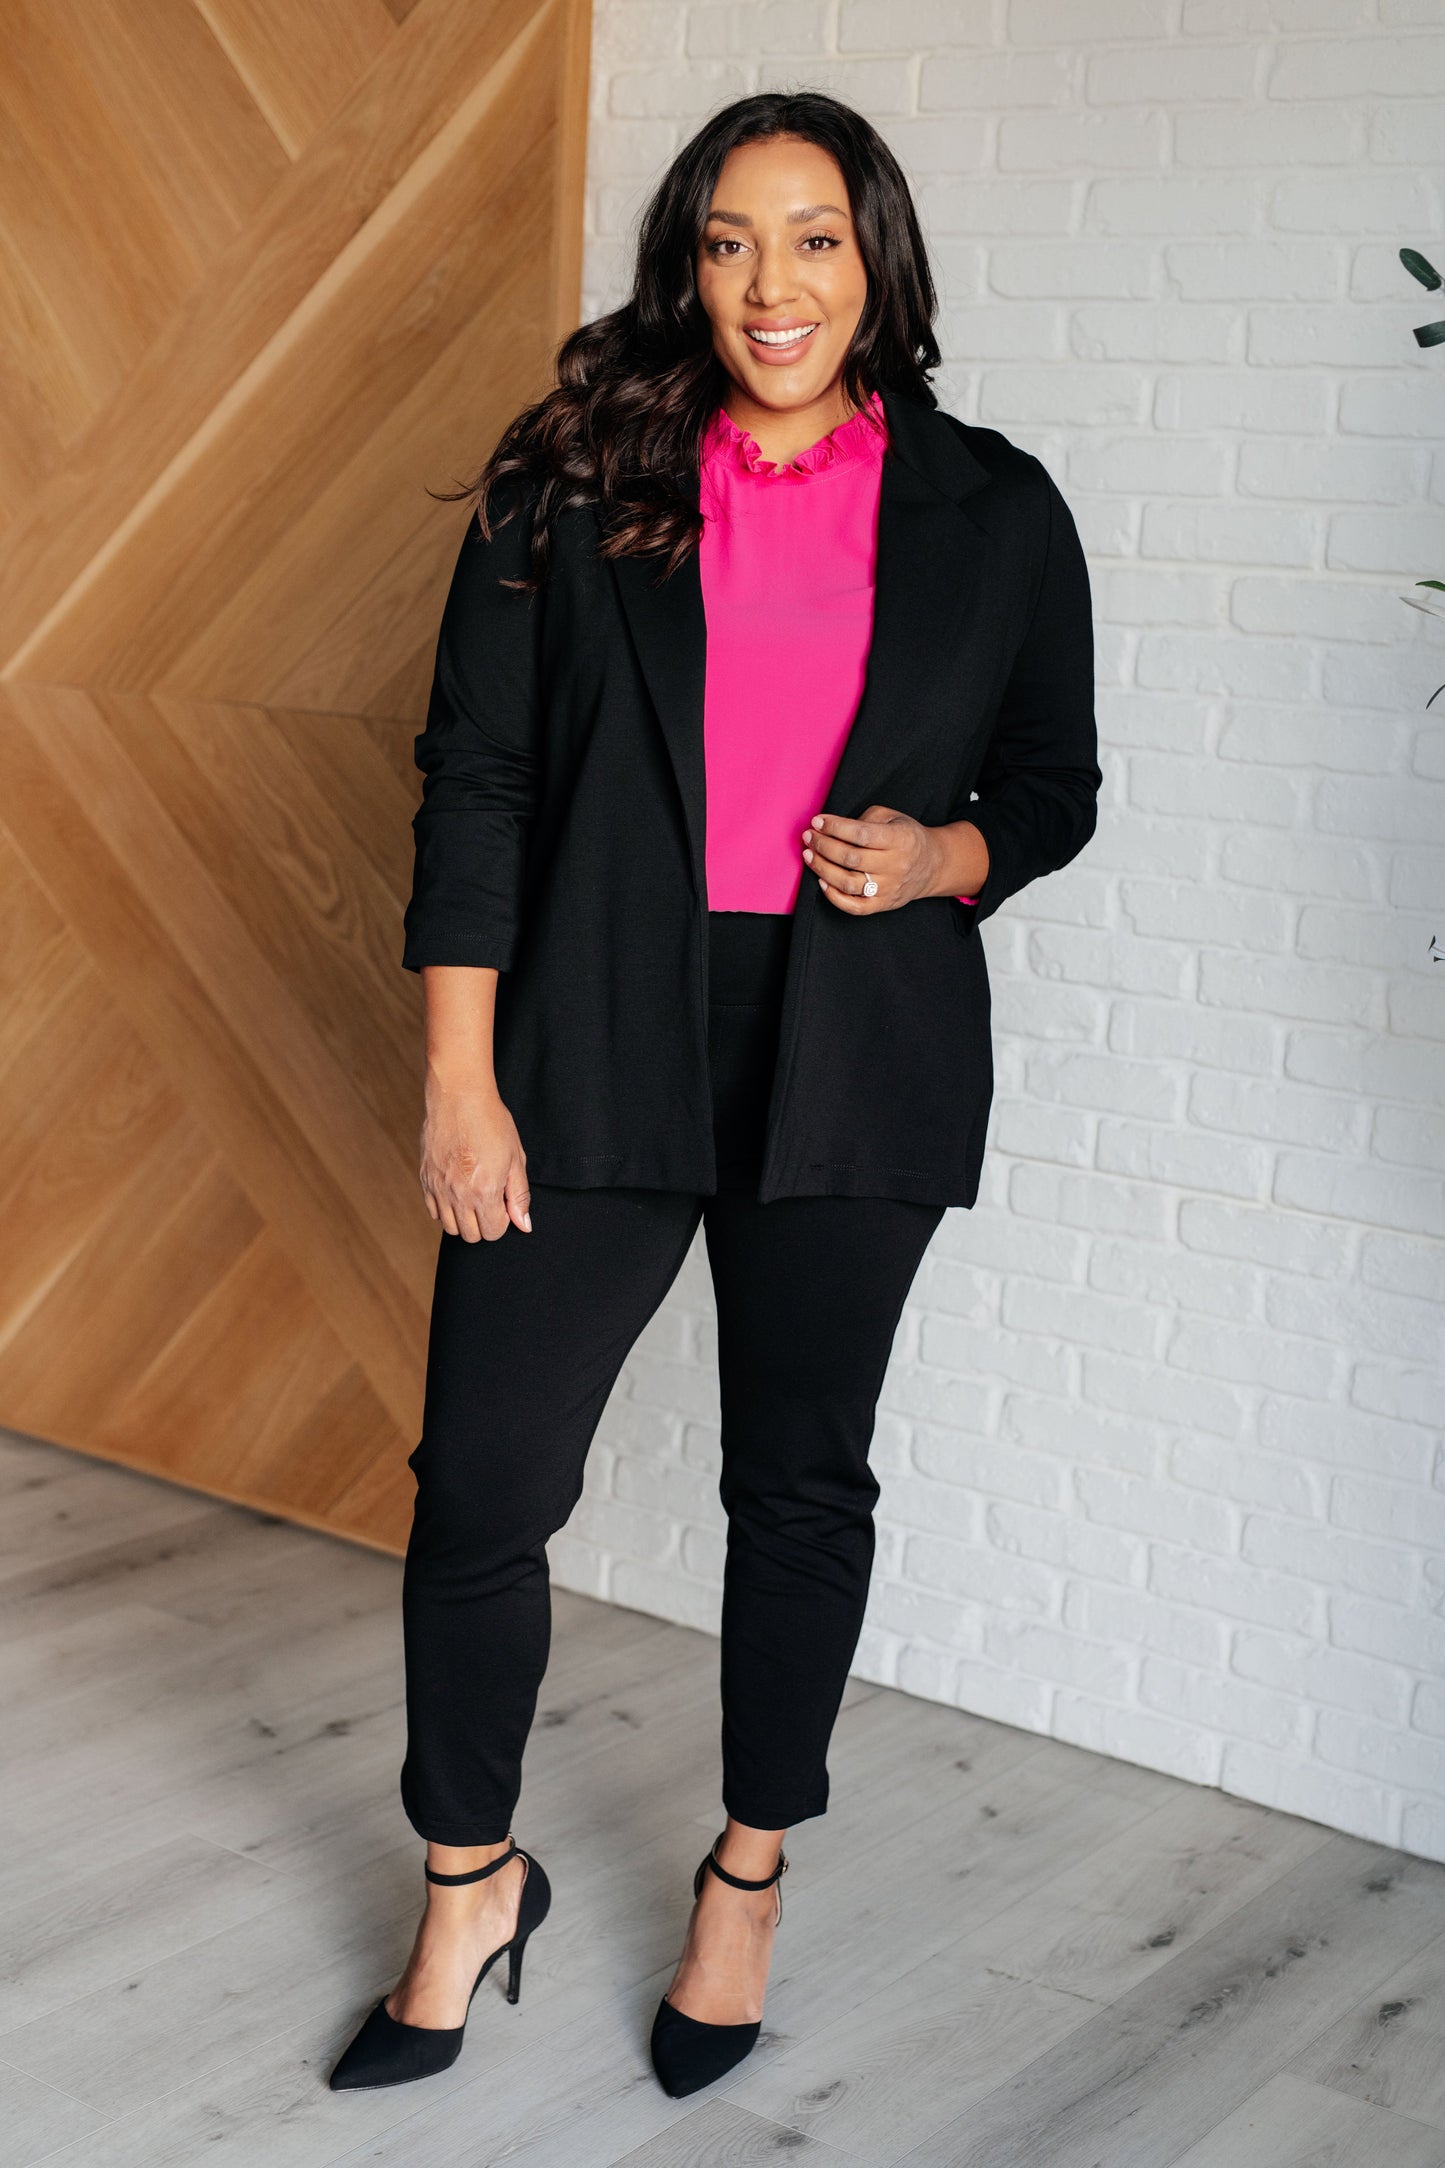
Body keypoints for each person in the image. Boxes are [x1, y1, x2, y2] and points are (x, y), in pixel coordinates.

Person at [329, 88, 1099, 2102]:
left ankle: (746, 1876)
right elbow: (477, 785)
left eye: (815, 237)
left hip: (857, 1044)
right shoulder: (572, 481)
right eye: (733, 238)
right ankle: (467, 1879)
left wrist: (944, 858)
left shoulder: (993, 506)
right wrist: (459, 1082)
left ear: (877, 260)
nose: (775, 283)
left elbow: (1053, 783)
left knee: (798, 1483)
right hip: (590, 1029)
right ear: (688, 262)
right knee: (483, 1483)